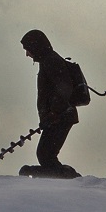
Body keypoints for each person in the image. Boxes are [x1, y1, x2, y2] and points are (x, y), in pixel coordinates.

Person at [19, 29, 80, 178]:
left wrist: (54, 112)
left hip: (61, 116)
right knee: (46, 155)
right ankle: (67, 177)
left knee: (45, 154)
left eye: (27, 49)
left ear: (35, 47)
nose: (27, 54)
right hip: (58, 117)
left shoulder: (51, 61)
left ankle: (69, 177)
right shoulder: (47, 61)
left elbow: (64, 87)